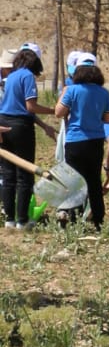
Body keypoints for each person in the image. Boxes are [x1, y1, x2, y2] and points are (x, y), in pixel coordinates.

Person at [55, 52, 109, 228]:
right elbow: (108, 119)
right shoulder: (104, 93)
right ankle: (98, 220)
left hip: (75, 141)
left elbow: (59, 113)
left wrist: (64, 94)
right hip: (95, 141)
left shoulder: (72, 90)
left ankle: (71, 218)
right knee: (94, 181)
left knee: (74, 182)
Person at [1, 44, 54, 229]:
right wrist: (52, 111)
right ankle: (22, 221)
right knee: (25, 174)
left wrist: (44, 125)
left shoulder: (12, 76)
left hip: (4, 124)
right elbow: (30, 108)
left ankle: (9, 219)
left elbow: (15, 106)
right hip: (21, 127)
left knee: (8, 175)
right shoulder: (27, 76)